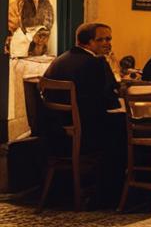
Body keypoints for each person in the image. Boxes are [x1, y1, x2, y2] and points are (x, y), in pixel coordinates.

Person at [42, 22, 123, 205]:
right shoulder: (95, 63)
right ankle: (111, 195)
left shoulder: (60, 59)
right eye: (101, 39)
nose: (107, 43)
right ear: (85, 42)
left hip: (56, 131)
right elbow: (108, 100)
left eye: (109, 39)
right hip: (83, 133)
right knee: (124, 128)